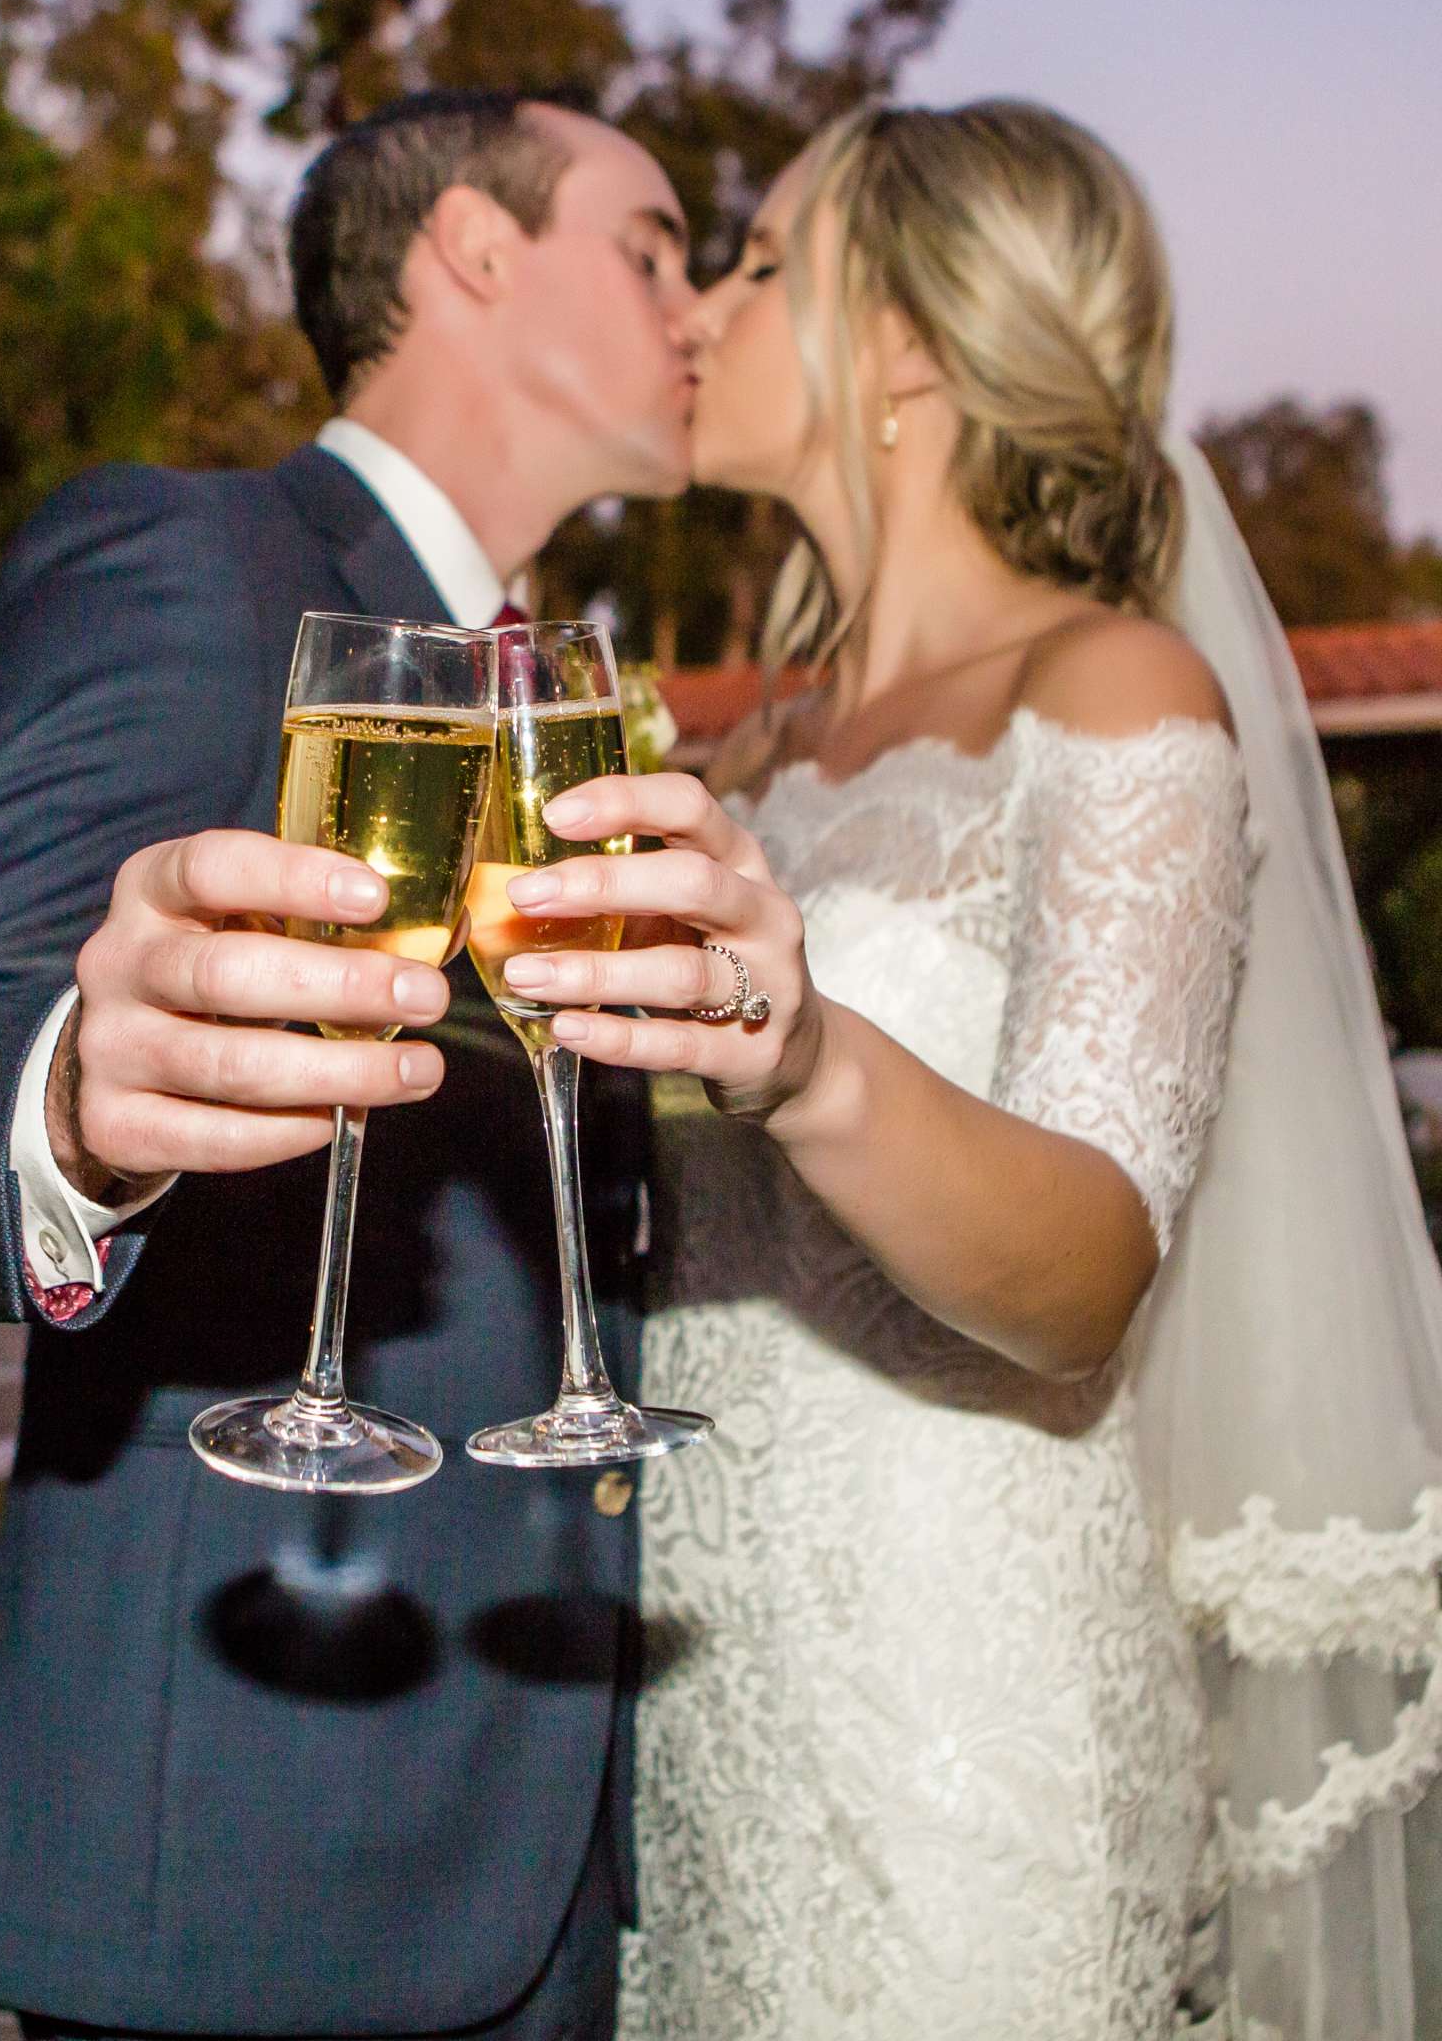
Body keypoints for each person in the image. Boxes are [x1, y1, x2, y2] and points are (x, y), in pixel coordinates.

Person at [497, 100, 1442, 2036]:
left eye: (762, 267)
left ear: (906, 346)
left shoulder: (1102, 688)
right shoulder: (745, 761)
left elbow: (1087, 1271)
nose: (708, 310)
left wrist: (811, 1059)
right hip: (705, 1707)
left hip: (959, 1717)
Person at [0, 91, 696, 2039]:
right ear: (473, 249)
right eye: (647, 249)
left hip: (538, 1842)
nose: (694, 308)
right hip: (247, 1874)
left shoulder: (549, 681)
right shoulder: (192, 558)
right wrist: (67, 1103)